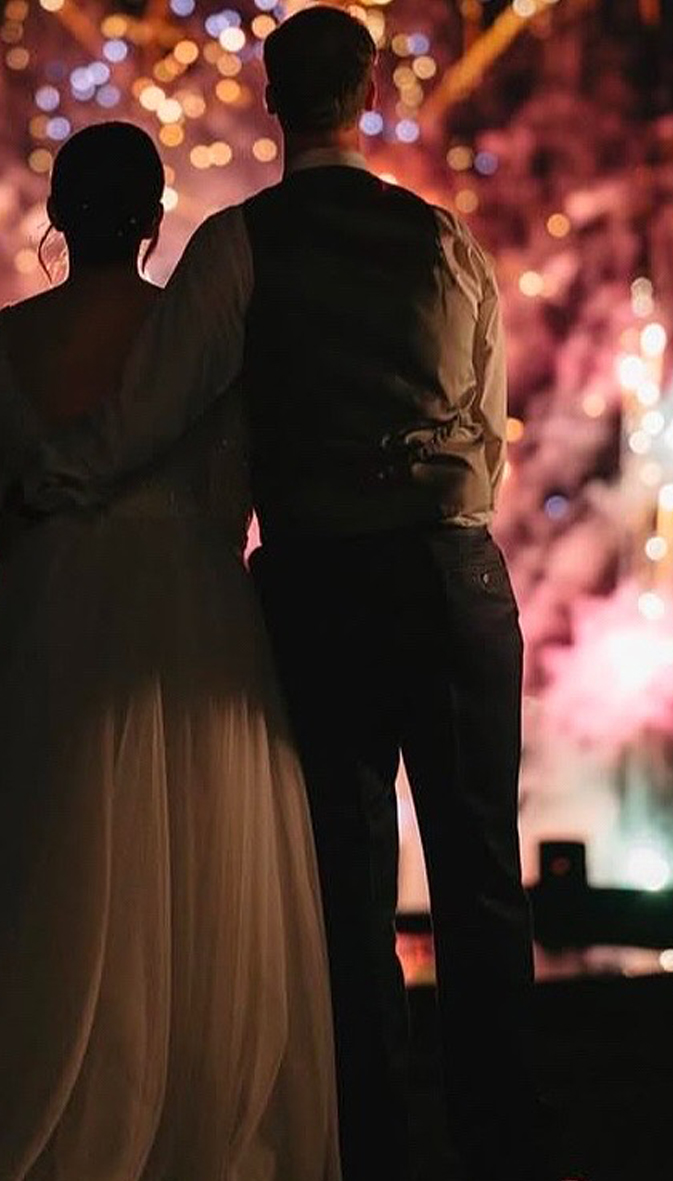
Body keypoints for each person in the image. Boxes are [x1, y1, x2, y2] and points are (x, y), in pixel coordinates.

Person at [22, 10, 553, 1181]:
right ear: (368, 93)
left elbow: (153, 408)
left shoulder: (237, 245)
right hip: (451, 574)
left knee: (348, 890)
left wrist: (47, 476)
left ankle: (372, 1146)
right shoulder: (444, 242)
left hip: (320, 583)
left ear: (270, 97)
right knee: (480, 881)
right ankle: (503, 1146)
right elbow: (483, 438)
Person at [0, 123, 339, 1180]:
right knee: (197, 867)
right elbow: (230, 489)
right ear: (155, 219)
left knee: (47, 842)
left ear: (58, 215)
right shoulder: (198, 345)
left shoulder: (6, 343)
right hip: (189, 614)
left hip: (48, 600)